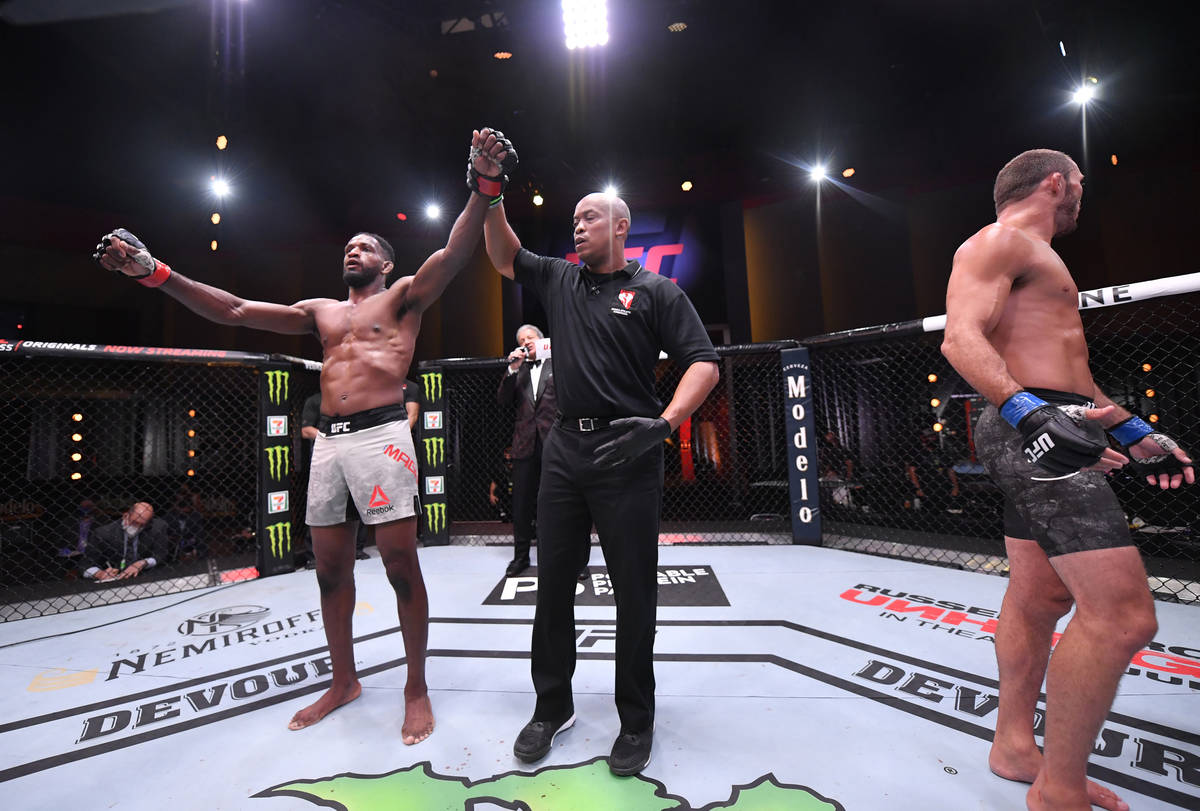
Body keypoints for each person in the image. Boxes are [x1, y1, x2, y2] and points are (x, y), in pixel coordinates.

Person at [94, 128, 518, 745]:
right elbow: (233, 310)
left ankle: (415, 687)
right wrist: (155, 273)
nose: (353, 250)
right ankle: (343, 680)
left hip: (382, 436)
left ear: (386, 262)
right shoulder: (320, 311)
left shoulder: (404, 298)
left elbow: (455, 253)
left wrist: (484, 184)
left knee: (401, 565)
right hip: (329, 445)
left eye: (365, 246)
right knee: (328, 571)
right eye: (348, 245)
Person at [941, 148, 1194, 811]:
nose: (1084, 193)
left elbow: (1069, 375)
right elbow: (959, 339)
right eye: (1080, 182)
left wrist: (1134, 431)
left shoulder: (1043, 259)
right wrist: (1031, 416)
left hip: (1057, 416)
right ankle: (1058, 790)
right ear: (1056, 181)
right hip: (1029, 425)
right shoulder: (1000, 241)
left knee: (1039, 597)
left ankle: (1013, 744)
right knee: (1121, 615)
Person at [479, 128, 721, 777]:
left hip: (630, 451)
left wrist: (665, 424)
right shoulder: (560, 278)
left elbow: (705, 363)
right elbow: (504, 255)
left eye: (590, 217)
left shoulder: (655, 291)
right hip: (563, 448)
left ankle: (635, 720)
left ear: (621, 227)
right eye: (575, 217)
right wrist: (490, 191)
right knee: (552, 585)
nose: (577, 226)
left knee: (634, 592)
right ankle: (550, 706)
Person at [497, 324, 558, 577]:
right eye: (521, 339)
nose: (525, 342)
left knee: (560, 503)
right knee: (521, 505)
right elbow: (502, 400)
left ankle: (568, 560)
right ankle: (521, 557)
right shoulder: (517, 370)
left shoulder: (559, 364)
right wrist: (512, 368)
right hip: (524, 445)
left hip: (555, 444)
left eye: (530, 338)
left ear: (541, 340)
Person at [82, 502, 169, 582]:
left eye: (142, 525)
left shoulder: (158, 527)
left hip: (146, 577)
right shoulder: (103, 533)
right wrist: (99, 573)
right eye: (134, 522)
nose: (137, 527)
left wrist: (143, 563)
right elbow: (84, 564)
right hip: (114, 579)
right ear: (125, 515)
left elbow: (161, 554)